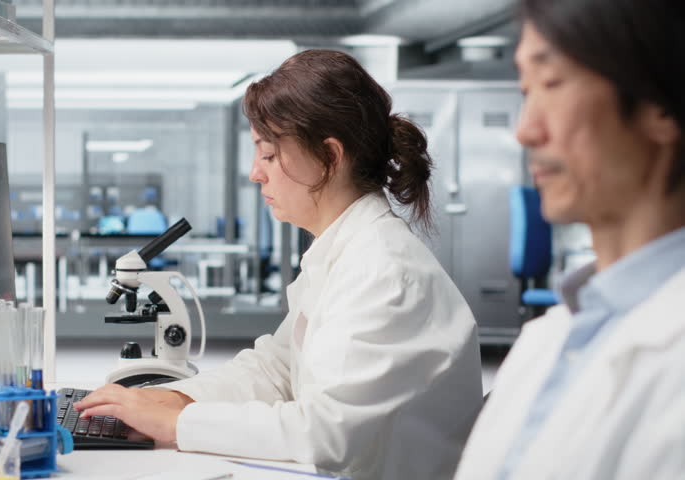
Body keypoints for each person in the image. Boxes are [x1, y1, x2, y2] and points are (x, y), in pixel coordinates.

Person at [75, 49, 483, 480]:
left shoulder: (383, 272)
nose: (255, 173)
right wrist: (176, 400)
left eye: (268, 154)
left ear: (329, 157)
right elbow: (279, 369)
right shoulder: (344, 250)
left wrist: (179, 424)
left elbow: (324, 434)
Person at [454, 1, 685, 478]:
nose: (524, 130)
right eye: (524, 89)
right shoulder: (550, 336)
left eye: (552, 83)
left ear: (660, 104)